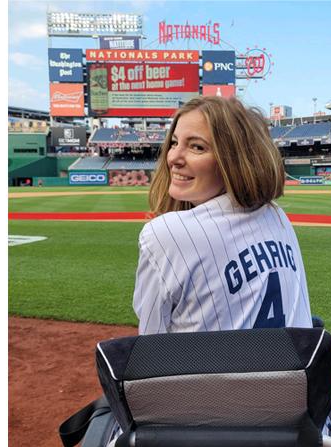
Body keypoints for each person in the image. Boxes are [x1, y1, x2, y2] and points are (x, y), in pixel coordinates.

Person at [135, 96, 314, 334]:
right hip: (292, 369)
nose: (174, 158)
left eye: (197, 147)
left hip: (210, 372)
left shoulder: (164, 234)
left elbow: (151, 342)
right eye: (175, 142)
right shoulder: (278, 217)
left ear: (234, 162)